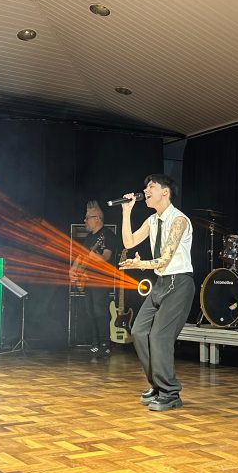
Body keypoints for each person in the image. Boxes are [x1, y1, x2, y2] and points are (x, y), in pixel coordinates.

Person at [119, 174, 194, 411]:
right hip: (162, 283)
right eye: (146, 187)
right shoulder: (152, 220)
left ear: (165, 192)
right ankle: (157, 385)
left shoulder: (179, 220)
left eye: (151, 187)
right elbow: (129, 242)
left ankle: (170, 393)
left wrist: (140, 264)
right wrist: (126, 212)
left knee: (159, 336)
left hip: (179, 282)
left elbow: (164, 260)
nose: (146, 191)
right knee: (139, 331)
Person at [70, 201, 117, 356]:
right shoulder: (90, 237)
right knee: (89, 311)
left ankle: (105, 343)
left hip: (100, 279)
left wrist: (94, 256)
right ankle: (95, 343)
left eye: (87, 218)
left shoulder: (107, 235)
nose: (85, 221)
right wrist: (73, 269)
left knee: (99, 310)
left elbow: (106, 257)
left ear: (97, 218)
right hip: (87, 279)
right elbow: (80, 256)